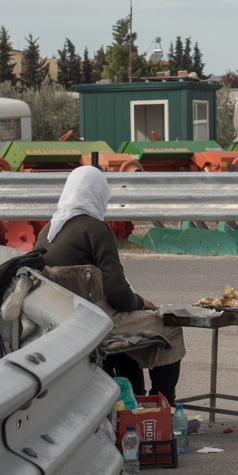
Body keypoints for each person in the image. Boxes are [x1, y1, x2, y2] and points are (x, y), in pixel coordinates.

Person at [36, 166, 186, 404]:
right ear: (97, 194)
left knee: (131, 334)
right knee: (170, 328)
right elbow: (117, 294)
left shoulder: (47, 231)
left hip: (61, 320)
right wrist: (138, 302)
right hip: (98, 320)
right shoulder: (96, 230)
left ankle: (134, 400)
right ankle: (164, 403)